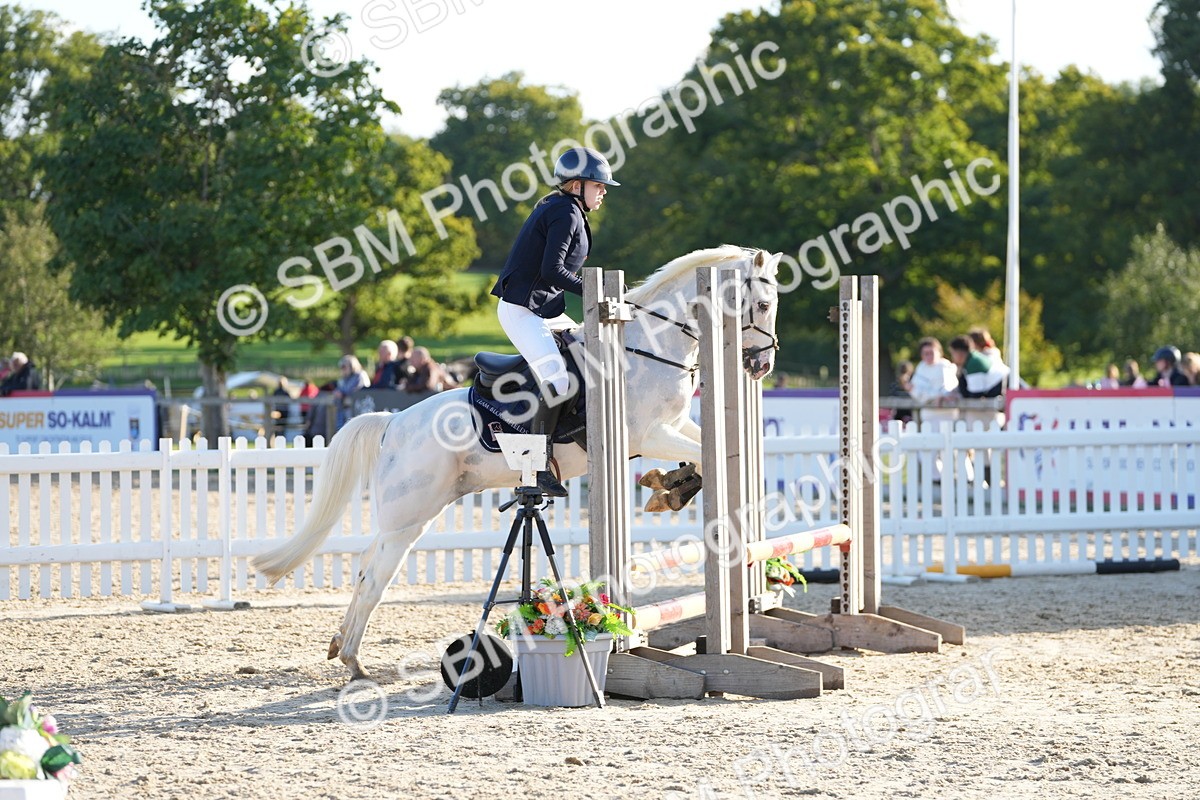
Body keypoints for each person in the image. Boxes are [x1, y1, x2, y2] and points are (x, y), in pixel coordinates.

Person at [490, 146, 619, 496]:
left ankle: (575, 433)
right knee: (559, 382)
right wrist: (592, 292)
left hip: (541, 307)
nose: (604, 191)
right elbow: (552, 270)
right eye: (599, 185)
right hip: (521, 310)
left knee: (584, 352)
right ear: (577, 185)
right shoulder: (565, 212)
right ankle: (535, 466)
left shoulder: (567, 209)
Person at [333, 355, 370, 429]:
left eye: (344, 367)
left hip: (358, 410)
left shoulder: (360, 375)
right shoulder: (344, 378)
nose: (343, 369)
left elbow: (359, 391)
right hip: (344, 411)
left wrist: (343, 394)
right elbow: (338, 390)